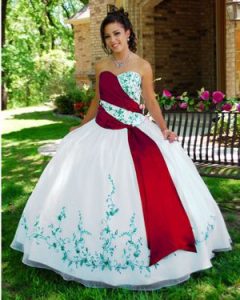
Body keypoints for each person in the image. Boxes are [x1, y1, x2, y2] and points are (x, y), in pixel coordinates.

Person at [11, 6, 232, 291]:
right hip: (100, 131)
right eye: (107, 36)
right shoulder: (102, 65)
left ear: (128, 33)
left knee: (148, 185)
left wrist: (163, 128)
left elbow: (150, 102)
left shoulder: (142, 66)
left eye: (117, 33)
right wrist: (81, 125)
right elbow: (97, 100)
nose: (112, 40)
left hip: (134, 131)